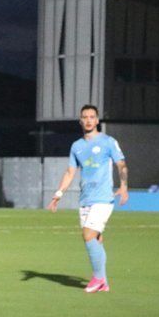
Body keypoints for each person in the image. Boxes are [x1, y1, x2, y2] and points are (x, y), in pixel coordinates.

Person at [48, 104, 128, 293]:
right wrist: (58, 194)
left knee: (88, 235)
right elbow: (70, 172)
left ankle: (98, 278)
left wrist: (124, 186)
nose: (89, 120)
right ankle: (104, 282)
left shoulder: (108, 142)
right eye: (85, 117)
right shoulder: (77, 146)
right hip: (85, 199)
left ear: (97, 120)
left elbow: (121, 164)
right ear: (80, 121)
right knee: (96, 239)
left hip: (103, 199)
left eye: (92, 117)